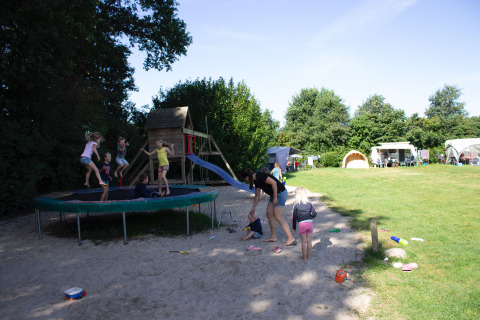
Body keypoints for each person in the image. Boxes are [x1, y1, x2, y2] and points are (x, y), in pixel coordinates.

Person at [241, 168, 295, 246]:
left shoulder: (260, 176)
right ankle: (273, 237)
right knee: (269, 214)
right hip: (274, 194)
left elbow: (274, 183)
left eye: (244, 179)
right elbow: (257, 196)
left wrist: (275, 197)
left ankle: (291, 238)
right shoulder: (256, 181)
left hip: (280, 193)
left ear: (246, 177)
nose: (245, 180)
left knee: (277, 216)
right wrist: (253, 209)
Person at [292, 187, 318, 260]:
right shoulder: (310, 204)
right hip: (309, 223)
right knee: (309, 241)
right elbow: (315, 213)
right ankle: (309, 256)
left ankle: (304, 257)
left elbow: (294, 217)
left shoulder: (296, 205)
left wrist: (294, 227)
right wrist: (310, 217)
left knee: (303, 242)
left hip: (302, 224)